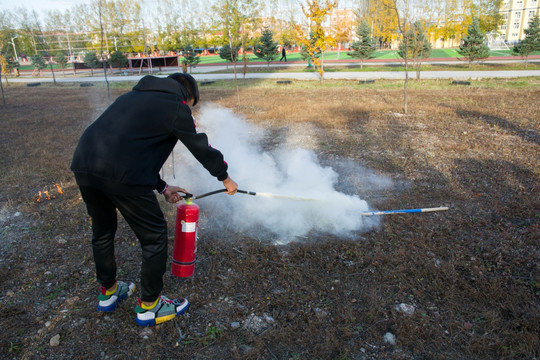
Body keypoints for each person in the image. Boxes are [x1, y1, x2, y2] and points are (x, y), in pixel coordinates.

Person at [71, 73, 238, 327]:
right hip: (122, 177)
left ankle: (108, 292)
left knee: (103, 231)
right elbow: (200, 147)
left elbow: (131, 149)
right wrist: (225, 178)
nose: (189, 109)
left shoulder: (131, 97)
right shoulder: (175, 106)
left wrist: (162, 187)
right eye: (190, 104)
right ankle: (150, 306)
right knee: (154, 237)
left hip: (84, 166)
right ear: (186, 94)